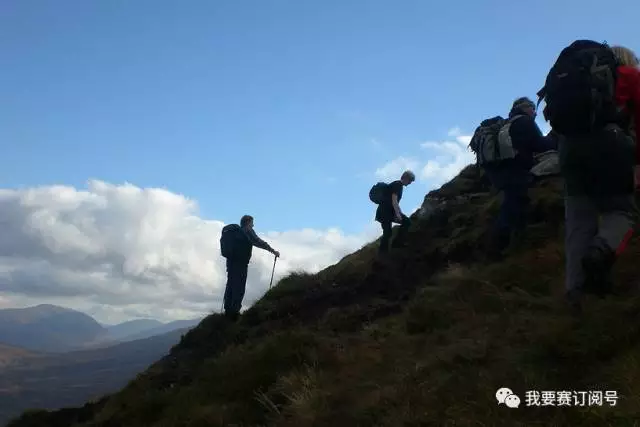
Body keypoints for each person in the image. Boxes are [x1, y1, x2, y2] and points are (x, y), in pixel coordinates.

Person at [558, 44, 640, 312]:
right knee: (622, 211)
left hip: (569, 150)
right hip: (611, 146)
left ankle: (575, 293)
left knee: (579, 221)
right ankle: (600, 251)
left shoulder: (573, 80)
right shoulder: (629, 76)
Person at [484, 97, 557, 260]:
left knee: (515, 203)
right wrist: (556, 139)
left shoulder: (507, 124)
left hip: (501, 172)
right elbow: (540, 144)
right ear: (524, 107)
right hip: (515, 171)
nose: (534, 112)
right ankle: (496, 249)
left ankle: (514, 246)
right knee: (512, 206)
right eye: (532, 108)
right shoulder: (525, 122)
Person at [223, 215, 280, 321]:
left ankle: (227, 311)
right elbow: (258, 242)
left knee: (230, 285)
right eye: (252, 223)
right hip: (241, 264)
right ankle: (234, 314)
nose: (253, 225)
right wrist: (273, 251)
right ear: (248, 223)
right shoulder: (247, 231)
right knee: (239, 287)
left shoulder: (235, 234)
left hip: (230, 263)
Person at [375, 170, 415, 255]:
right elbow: (394, 201)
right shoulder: (398, 185)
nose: (410, 183)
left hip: (387, 212)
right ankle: (383, 252)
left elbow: (395, 202)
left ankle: (395, 244)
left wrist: (399, 212)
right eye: (410, 180)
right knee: (388, 232)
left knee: (405, 222)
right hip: (385, 212)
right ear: (406, 178)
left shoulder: (397, 185)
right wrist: (398, 214)